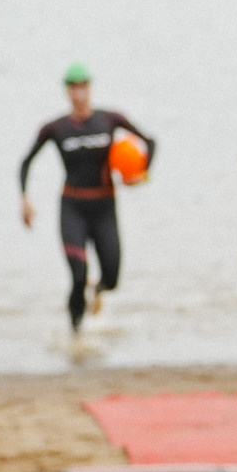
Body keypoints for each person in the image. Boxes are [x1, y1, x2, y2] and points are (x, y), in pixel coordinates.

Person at [18, 64, 155, 333]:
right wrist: (25, 198)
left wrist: (140, 174)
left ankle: (99, 290)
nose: (79, 94)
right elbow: (26, 162)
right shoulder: (55, 128)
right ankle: (76, 336)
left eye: (83, 87)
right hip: (73, 208)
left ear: (90, 88)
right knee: (78, 275)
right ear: (67, 92)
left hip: (105, 208)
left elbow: (150, 142)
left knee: (112, 278)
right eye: (73, 88)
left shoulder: (109, 120)